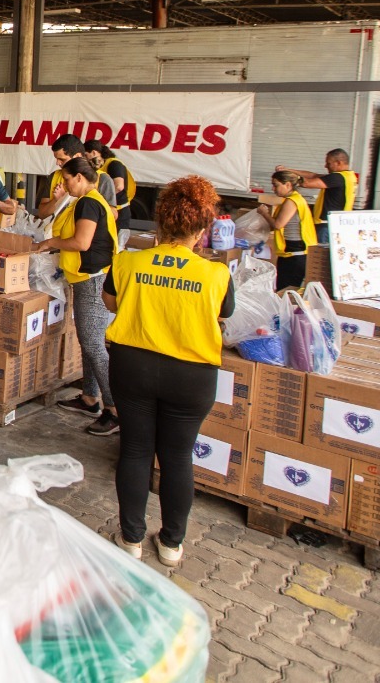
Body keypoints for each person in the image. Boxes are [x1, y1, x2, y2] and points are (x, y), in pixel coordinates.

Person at [101, 175, 236, 565]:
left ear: (161, 223)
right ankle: (172, 544)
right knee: (178, 456)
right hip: (191, 376)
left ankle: (130, 539)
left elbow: (110, 304)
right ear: (202, 230)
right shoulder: (216, 274)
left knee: (136, 449)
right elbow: (223, 315)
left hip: (133, 367)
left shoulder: (129, 261)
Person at [36, 157, 120, 431]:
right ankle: (89, 397)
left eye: (67, 179)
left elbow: (81, 242)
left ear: (80, 178)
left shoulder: (89, 203)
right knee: (88, 341)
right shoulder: (89, 201)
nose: (65, 184)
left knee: (95, 345)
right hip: (86, 279)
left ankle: (114, 409)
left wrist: (50, 243)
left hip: (93, 279)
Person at [276, 149, 357, 243]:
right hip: (337, 224)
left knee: (320, 254)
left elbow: (306, 183)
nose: (325, 166)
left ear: (338, 163)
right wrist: (288, 170)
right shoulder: (349, 176)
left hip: (326, 226)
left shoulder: (338, 178)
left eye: (328, 163)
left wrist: (286, 180)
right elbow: (313, 175)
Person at [258, 170, 315, 291]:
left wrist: (264, 213)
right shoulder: (294, 200)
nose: (273, 189)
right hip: (293, 254)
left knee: (285, 291)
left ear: (288, 185)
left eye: (276, 185)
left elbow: (278, 224)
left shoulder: (291, 202)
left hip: (294, 256)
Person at [37, 134, 116, 217]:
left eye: (62, 159)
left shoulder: (102, 178)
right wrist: (58, 200)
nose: (57, 163)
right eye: (56, 159)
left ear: (77, 156)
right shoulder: (54, 176)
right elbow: (42, 214)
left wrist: (79, 199)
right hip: (55, 230)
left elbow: (113, 215)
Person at [86, 139, 136, 231]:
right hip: (109, 209)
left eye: (86, 155)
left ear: (93, 152)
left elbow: (119, 186)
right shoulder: (100, 166)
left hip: (119, 211)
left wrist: (99, 199)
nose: (86, 159)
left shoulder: (114, 164)